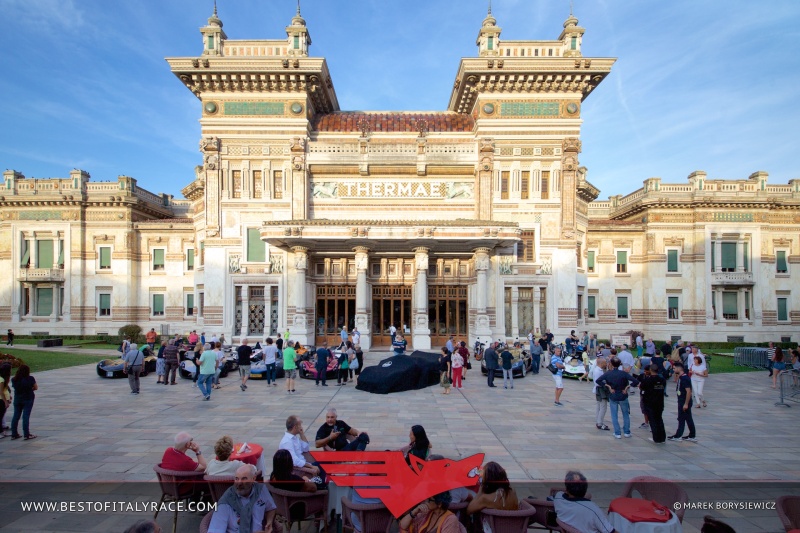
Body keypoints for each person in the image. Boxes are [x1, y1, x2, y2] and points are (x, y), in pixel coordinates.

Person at [208, 464, 277, 533]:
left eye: (244, 478)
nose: (239, 483)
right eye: (237, 479)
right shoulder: (225, 504)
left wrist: (269, 522)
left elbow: (271, 508)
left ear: (253, 479)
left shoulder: (261, 490)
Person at [552, 471, 616, 533]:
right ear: (585, 489)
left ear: (566, 489)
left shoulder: (558, 497)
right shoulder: (592, 510)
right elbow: (610, 531)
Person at [596, 357, 638, 439]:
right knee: (625, 414)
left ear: (611, 364)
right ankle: (627, 432)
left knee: (614, 415)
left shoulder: (608, 373)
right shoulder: (623, 373)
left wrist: (608, 386)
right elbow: (636, 381)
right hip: (623, 395)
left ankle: (617, 432)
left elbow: (598, 381)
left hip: (613, 394)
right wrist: (627, 387)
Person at [667, 362, 697, 442]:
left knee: (681, 418)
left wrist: (686, 404)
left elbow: (688, 391)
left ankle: (678, 435)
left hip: (684, 401)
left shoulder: (685, 378)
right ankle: (692, 435)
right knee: (688, 418)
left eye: (674, 368)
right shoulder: (681, 377)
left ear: (679, 368)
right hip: (681, 400)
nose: (673, 370)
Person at [639, 364, 667, 444]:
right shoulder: (662, 380)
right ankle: (662, 438)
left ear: (650, 370)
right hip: (660, 402)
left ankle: (656, 438)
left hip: (650, 402)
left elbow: (642, 387)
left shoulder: (647, 380)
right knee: (659, 419)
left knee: (653, 420)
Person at [10, 364, 37, 440]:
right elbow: (36, 387)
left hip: (17, 399)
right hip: (28, 398)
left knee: (16, 416)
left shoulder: (14, 379)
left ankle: (14, 434)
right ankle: (26, 434)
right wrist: (30, 389)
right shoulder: (30, 378)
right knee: (26, 416)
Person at [592, 357, 610, 431]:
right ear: (601, 363)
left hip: (598, 389)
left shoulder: (598, 370)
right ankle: (600, 423)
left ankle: (598, 421)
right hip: (600, 390)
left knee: (599, 406)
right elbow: (598, 382)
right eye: (605, 363)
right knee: (603, 406)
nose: (606, 364)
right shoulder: (598, 371)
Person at [0, 363, 11, 438]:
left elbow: (5, 390)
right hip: (1, 400)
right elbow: (1, 392)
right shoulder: (1, 379)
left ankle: (2, 432)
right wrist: (5, 401)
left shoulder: (3, 379)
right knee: (0, 416)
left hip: (4, 399)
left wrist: (9, 397)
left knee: (1, 416)